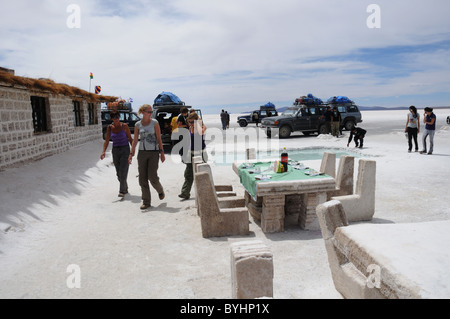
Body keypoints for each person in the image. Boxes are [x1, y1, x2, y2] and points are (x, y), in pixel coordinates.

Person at [129, 104, 165, 210]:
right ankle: (146, 201)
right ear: (143, 112)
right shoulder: (137, 125)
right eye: (149, 112)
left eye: (151, 112)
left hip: (153, 152)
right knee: (142, 178)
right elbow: (135, 140)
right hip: (142, 153)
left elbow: (159, 138)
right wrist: (131, 153)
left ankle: (160, 190)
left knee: (152, 176)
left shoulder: (155, 123)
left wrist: (162, 152)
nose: (150, 113)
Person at [100, 111, 133, 197]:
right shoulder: (110, 128)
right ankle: (125, 187)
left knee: (123, 170)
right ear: (112, 119)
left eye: (118, 117)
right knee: (118, 173)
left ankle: (121, 191)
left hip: (125, 149)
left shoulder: (124, 126)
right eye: (114, 118)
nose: (116, 119)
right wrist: (103, 151)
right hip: (115, 151)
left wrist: (132, 152)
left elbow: (130, 138)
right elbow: (107, 140)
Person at [179, 112, 208, 200]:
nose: (190, 124)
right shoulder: (191, 127)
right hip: (191, 153)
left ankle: (205, 193)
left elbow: (200, 133)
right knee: (188, 174)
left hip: (200, 153)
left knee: (201, 174)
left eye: (192, 122)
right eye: (189, 122)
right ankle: (185, 193)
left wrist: (198, 123)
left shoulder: (201, 127)